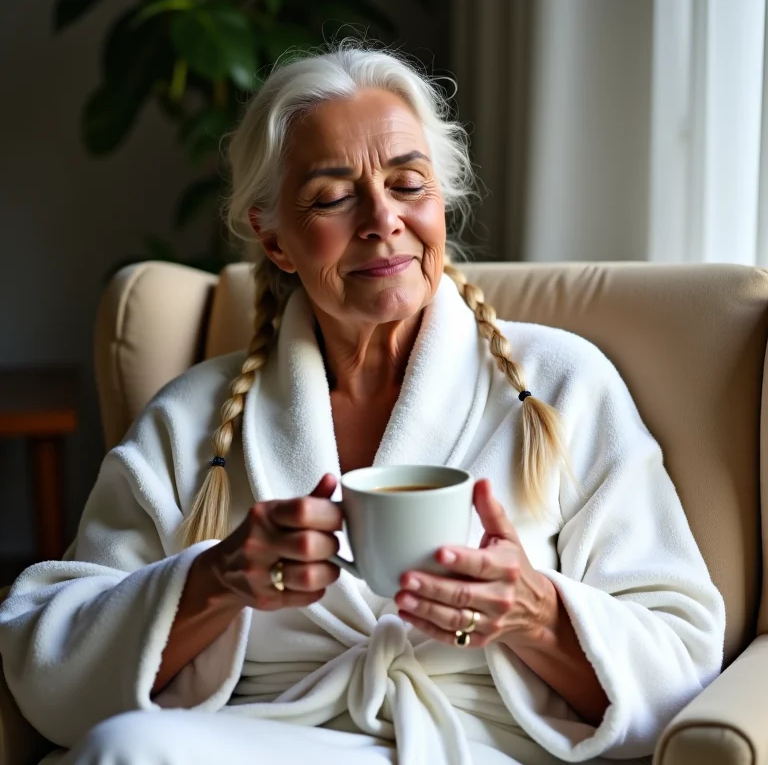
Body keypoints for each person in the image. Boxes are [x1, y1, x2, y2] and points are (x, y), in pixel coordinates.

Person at [0, 43, 724, 765]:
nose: (383, 219)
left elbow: (682, 657)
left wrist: (535, 615)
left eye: (408, 183)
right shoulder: (195, 418)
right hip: (265, 740)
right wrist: (212, 582)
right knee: (128, 753)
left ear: (440, 202)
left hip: (479, 746)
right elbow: (49, 653)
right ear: (274, 239)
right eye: (333, 196)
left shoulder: (562, 385)